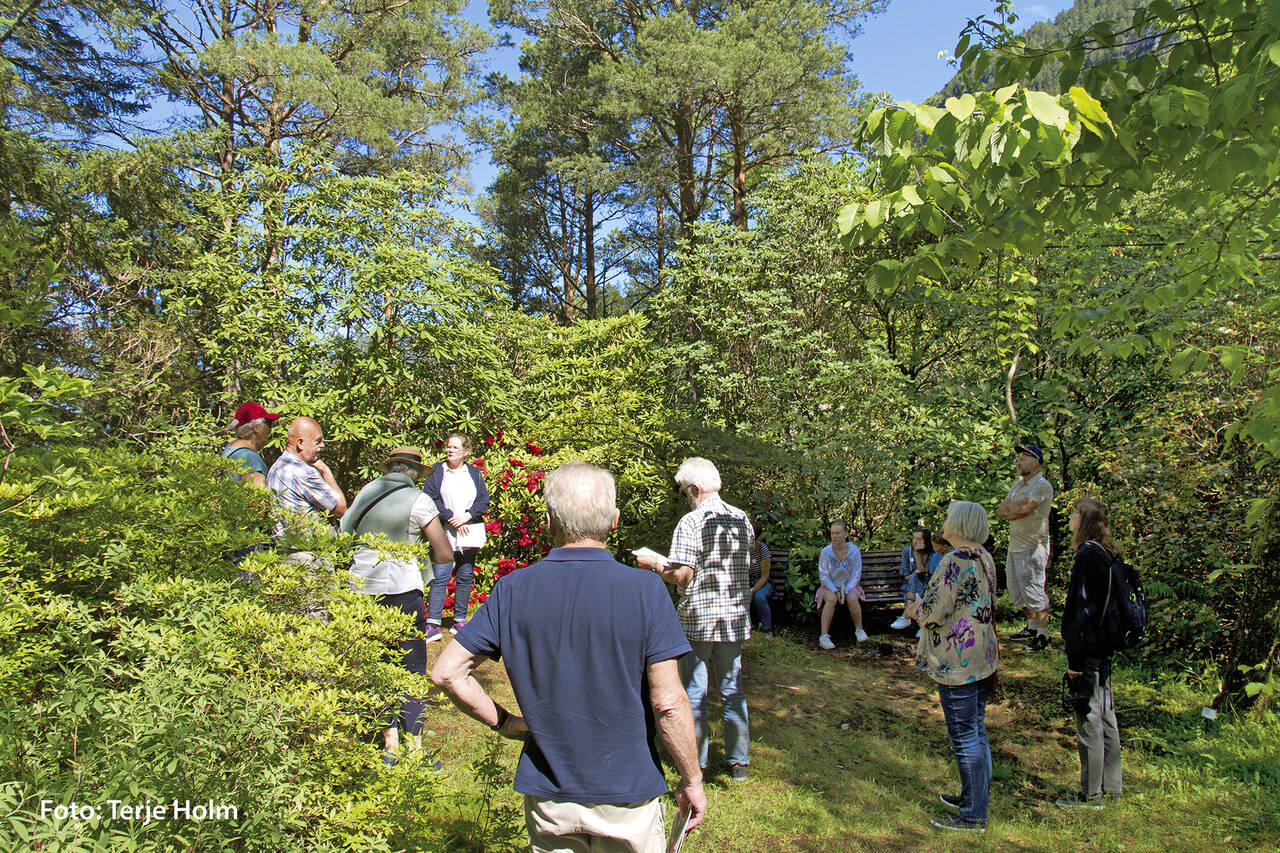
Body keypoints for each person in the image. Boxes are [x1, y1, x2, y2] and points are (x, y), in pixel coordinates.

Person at [431, 462, 707, 851]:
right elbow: (669, 704)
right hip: (626, 794)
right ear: (614, 521)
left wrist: (507, 723)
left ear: (548, 522)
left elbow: (446, 672)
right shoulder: (645, 590)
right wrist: (691, 779)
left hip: (550, 794)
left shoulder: (513, 590)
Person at [635, 457, 753, 782]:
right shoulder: (742, 519)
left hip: (699, 620)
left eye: (685, 491)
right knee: (733, 689)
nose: (685, 497)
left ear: (695, 489)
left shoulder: (692, 522)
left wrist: (654, 564)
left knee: (694, 692)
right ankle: (738, 762)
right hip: (733, 619)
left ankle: (696, 761)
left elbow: (683, 575)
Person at [341, 447, 454, 768]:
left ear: (390, 467)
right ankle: (415, 745)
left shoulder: (367, 492)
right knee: (412, 666)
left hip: (362, 588)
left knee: (377, 664)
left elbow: (343, 533)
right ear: (416, 473)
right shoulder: (419, 501)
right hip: (402, 590)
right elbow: (444, 552)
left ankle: (388, 743)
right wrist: (421, 560)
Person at [916, 500, 1000, 833]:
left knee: (965, 736)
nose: (944, 522)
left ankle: (973, 815)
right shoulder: (984, 557)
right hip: (982, 657)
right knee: (976, 729)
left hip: (958, 661)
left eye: (950, 517)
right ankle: (973, 797)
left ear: (960, 524)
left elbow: (934, 611)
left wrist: (916, 611)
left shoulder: (954, 561)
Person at [1057, 497, 1123, 808]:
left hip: (1089, 650)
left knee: (1089, 720)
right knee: (1106, 717)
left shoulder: (1087, 556)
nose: (1069, 518)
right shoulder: (1107, 553)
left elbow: (1082, 610)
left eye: (1073, 513)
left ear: (1084, 520)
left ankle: (1091, 794)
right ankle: (1112, 789)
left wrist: (1075, 661)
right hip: (1105, 646)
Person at [422, 432, 490, 641]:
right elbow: (431, 498)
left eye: (455, 448)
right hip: (444, 531)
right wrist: (451, 518)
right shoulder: (437, 471)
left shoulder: (474, 473)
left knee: (465, 575)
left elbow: (483, 500)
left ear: (466, 452)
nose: (450, 451)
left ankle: (459, 620)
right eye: (448, 447)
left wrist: (467, 516)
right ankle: (432, 623)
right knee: (440, 575)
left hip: (469, 531)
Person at [266, 417, 347, 562]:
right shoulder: (304, 472)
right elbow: (340, 508)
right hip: (309, 558)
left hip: (284, 554)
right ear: (300, 443)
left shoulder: (276, 467)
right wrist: (325, 470)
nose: (322, 446)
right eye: (318, 441)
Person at [998, 444, 1055, 651]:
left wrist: (1013, 510)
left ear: (1036, 462)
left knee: (1034, 590)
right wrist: (1012, 510)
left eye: (1024, 457)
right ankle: (1031, 627)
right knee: (1017, 589)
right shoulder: (1019, 485)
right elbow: (1002, 509)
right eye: (1019, 457)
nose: (1019, 461)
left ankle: (1043, 634)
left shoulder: (1041, 486)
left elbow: (1024, 509)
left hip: (1033, 546)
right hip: (1015, 544)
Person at [816, 521, 867, 649]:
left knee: (852, 598)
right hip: (829, 586)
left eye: (838, 533)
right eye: (833, 533)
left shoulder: (854, 551)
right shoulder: (826, 552)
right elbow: (824, 576)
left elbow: (856, 574)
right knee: (832, 599)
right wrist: (835, 591)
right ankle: (824, 636)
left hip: (850, 586)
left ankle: (859, 630)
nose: (835, 536)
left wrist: (847, 589)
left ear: (845, 534)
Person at [892, 526, 940, 631]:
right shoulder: (907, 552)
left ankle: (906, 616)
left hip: (927, 585)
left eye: (919, 539)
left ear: (926, 541)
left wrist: (919, 557)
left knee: (917, 579)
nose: (915, 542)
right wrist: (916, 572)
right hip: (910, 584)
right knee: (914, 578)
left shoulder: (933, 553)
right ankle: (921, 625)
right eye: (914, 538)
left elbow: (927, 574)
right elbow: (906, 575)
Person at [221, 402, 279, 487]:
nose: (270, 430)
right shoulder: (250, 458)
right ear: (256, 427)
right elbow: (258, 497)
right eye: (269, 423)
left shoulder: (231, 448)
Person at [748, 519, 775, 635]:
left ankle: (766, 629)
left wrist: (752, 591)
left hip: (762, 584)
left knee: (759, 597)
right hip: (744, 583)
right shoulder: (739, 549)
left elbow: (764, 576)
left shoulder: (761, 549)